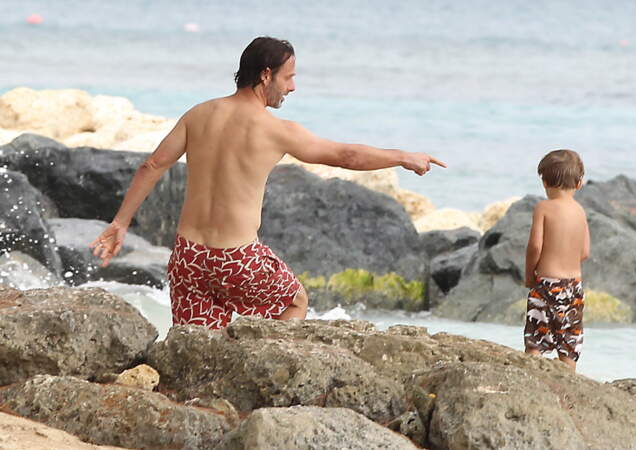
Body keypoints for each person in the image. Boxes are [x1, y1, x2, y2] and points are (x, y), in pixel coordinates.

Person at [90, 36, 446, 329]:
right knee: (294, 301)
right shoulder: (275, 130)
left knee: (197, 344)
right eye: (287, 77)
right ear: (265, 75)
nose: (293, 86)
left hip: (189, 257)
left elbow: (151, 165)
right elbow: (346, 157)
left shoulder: (198, 114)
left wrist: (120, 223)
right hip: (237, 258)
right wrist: (402, 156)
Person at [523, 149, 590, 370]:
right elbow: (585, 252)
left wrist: (529, 274)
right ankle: (569, 380)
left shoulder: (543, 208)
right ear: (579, 183)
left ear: (544, 181)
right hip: (573, 287)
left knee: (536, 338)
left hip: (546, 284)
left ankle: (532, 376)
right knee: (569, 340)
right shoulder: (580, 211)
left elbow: (535, 245)